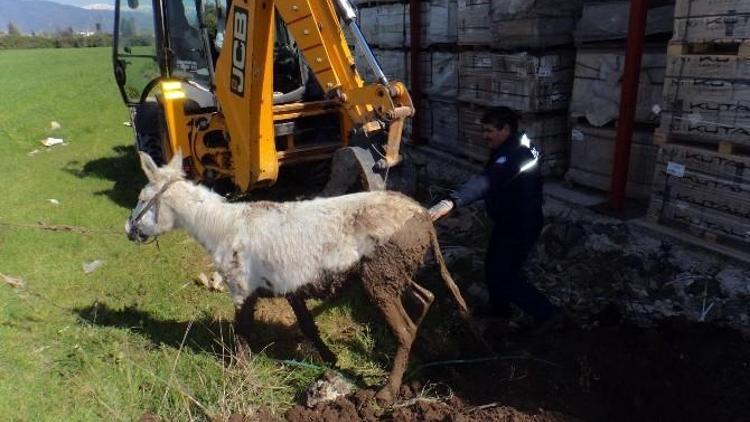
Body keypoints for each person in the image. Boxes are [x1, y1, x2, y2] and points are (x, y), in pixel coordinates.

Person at [428, 106, 562, 329]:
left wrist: (452, 201)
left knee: (506, 275)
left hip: (521, 224)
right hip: (511, 220)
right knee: (493, 266)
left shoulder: (513, 155)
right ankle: (499, 310)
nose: (484, 136)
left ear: (505, 129)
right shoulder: (516, 145)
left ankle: (549, 315)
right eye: (484, 130)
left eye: (489, 130)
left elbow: (487, 181)